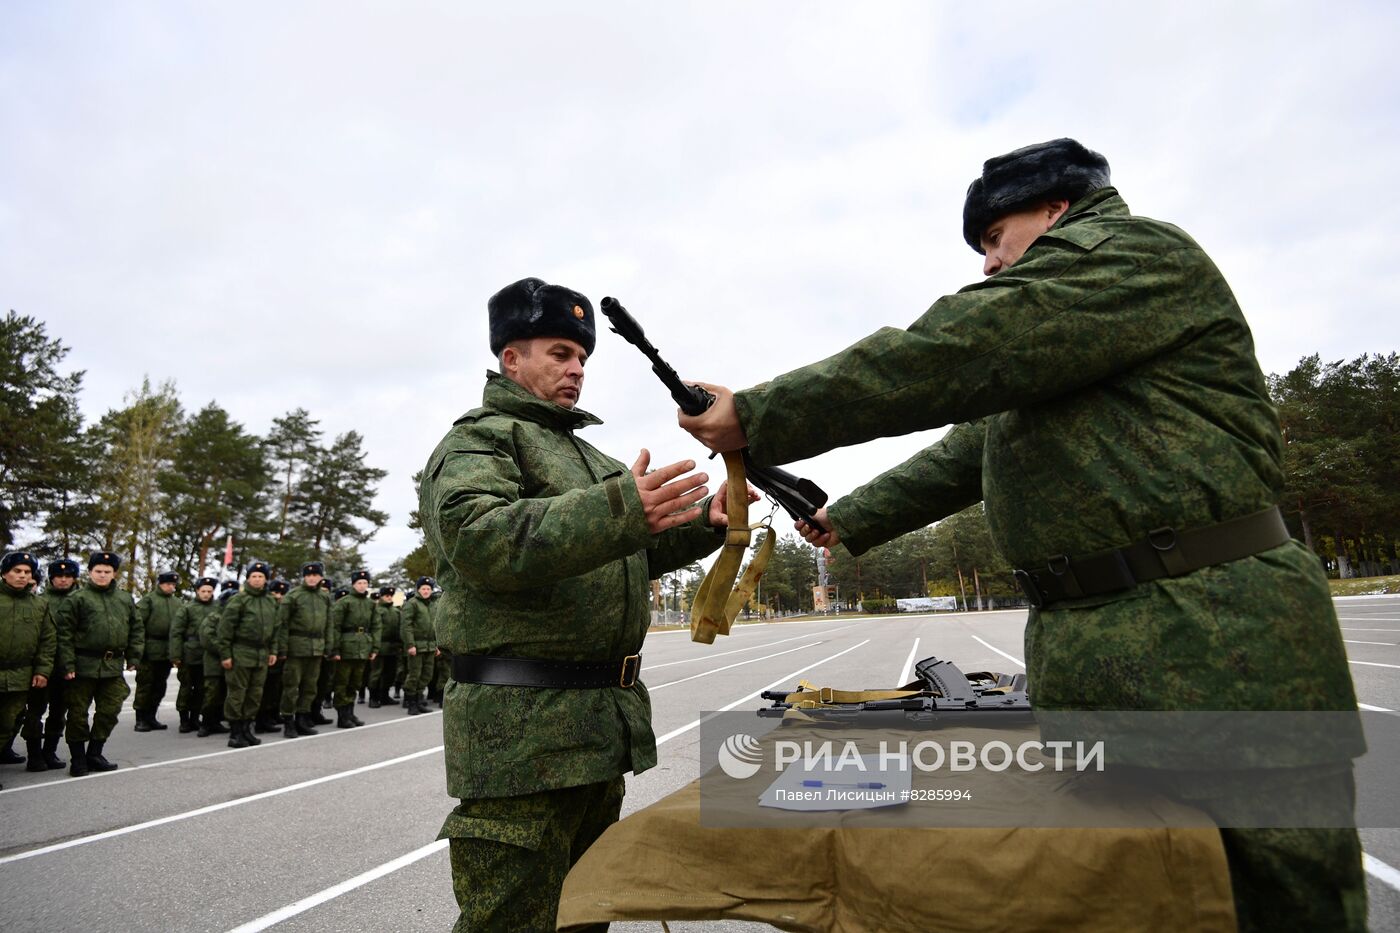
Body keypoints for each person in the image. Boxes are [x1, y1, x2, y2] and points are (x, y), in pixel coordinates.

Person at [676, 138, 1367, 932]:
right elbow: (977, 445)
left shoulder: (1128, 256)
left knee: (1279, 899)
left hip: (1221, 659)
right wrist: (853, 516)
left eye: (995, 241)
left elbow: (956, 348)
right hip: (1119, 668)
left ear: (1058, 210)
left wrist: (761, 413)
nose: (989, 267)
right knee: (1147, 900)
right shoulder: (1070, 345)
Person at [419, 276, 739, 931]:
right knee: (511, 921)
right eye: (560, 353)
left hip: (594, 734)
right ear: (512, 357)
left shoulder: (588, 458)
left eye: (583, 358)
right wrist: (622, 505)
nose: (576, 369)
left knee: (584, 916)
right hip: (521, 743)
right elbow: (479, 538)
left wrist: (703, 521)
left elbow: (623, 558)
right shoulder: (483, 440)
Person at [54, 551, 142, 776]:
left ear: (114, 574)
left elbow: (136, 629)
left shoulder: (124, 599)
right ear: (90, 572)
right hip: (83, 665)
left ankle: (95, 752)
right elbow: (64, 635)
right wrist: (68, 664)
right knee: (77, 713)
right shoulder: (77, 599)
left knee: (109, 711)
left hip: (112, 667)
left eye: (107, 572)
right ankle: (78, 758)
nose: (102, 575)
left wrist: (134, 656)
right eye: (98, 571)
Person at [0, 552, 57, 781]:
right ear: (5, 573)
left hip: (20, 675)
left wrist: (43, 671)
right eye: (17, 571)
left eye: (27, 572)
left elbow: (47, 640)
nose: (22, 576)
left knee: (6, 724)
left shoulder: (39, 605)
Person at [214, 562, 279, 749]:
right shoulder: (239, 600)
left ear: (266, 579)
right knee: (237, 693)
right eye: (254, 576)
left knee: (255, 693)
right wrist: (225, 655)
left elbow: (275, 628)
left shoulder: (270, 601)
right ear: (248, 579)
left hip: (262, 653)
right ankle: (235, 732)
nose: (257, 579)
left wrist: (273, 650)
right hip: (241, 652)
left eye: (261, 576)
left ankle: (247, 728)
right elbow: (225, 630)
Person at [32, 558, 79, 768]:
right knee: (35, 710)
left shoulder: (80, 601)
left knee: (59, 712)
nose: (63, 580)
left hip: (67, 667)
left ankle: (49, 751)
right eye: (59, 576)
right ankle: (34, 754)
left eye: (68, 576)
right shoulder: (40, 601)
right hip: (42, 666)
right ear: (51, 579)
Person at [276, 562, 332, 738]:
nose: (312, 578)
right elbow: (282, 624)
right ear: (304, 577)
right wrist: (282, 648)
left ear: (320, 577)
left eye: (315, 575)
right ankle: (288, 721)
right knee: (291, 687)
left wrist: (328, 646)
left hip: (316, 648)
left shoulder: (324, 598)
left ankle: (302, 718)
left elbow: (329, 624)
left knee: (310, 687)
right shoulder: (294, 596)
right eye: (308, 575)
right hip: (296, 647)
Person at [329, 570, 379, 729]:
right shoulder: (344, 602)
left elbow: (377, 626)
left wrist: (374, 647)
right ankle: (342, 715)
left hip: (363, 647)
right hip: (346, 647)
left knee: (355, 682)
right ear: (353, 584)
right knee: (342, 682)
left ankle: (350, 712)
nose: (362, 586)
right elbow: (334, 627)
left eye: (365, 583)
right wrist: (335, 649)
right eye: (359, 583)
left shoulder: (371, 604)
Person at [133, 569, 181, 731]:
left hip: (167, 650)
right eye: (168, 584)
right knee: (145, 684)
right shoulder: (149, 601)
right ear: (160, 584)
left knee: (159, 686)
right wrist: (138, 649)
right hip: (149, 648)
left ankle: (151, 716)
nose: (170, 587)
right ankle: (140, 718)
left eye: (173, 584)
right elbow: (137, 624)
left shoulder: (177, 603)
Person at [169, 576, 218, 733]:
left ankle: (195, 718)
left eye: (209, 591)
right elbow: (176, 632)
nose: (206, 594)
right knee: (186, 688)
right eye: (203, 591)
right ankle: (184, 720)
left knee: (202, 689)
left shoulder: (216, 608)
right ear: (197, 591)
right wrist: (176, 655)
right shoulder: (187, 608)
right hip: (189, 653)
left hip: (208, 654)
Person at [196, 580, 240, 737]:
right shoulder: (214, 617)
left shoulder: (237, 619)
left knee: (223, 694)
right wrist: (225, 650)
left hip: (231, 663)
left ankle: (216, 722)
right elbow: (207, 638)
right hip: (214, 663)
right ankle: (206, 723)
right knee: (211, 694)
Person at [254, 578, 291, 734]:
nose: (278, 596)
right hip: (265, 653)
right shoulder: (266, 608)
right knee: (263, 688)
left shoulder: (284, 609)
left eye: (282, 593)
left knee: (275, 688)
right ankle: (260, 720)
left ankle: (272, 715)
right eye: (275, 592)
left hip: (279, 653)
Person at [398, 576, 437, 716]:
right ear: (418, 589)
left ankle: (420, 701)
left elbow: (436, 626)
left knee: (427, 675)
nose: (426, 591)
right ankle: (411, 703)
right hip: (416, 645)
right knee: (414, 675)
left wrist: (437, 645)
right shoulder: (412, 603)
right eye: (423, 588)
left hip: (430, 646)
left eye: (428, 589)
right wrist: (410, 644)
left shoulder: (433, 605)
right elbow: (406, 625)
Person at [368, 585, 400, 709]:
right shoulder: (377, 610)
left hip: (393, 647)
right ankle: (373, 697)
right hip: (380, 645)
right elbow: (373, 629)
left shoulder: (396, 611)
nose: (389, 597)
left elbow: (399, 629)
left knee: (390, 673)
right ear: (381, 597)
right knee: (376, 672)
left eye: (390, 596)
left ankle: (384, 696)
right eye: (386, 595)